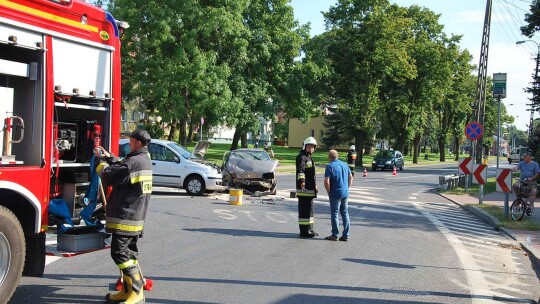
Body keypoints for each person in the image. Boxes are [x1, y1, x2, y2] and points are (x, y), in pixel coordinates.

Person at [95, 129, 152, 304]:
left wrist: (99, 161)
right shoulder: (142, 159)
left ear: (139, 143)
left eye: (131, 141)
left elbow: (109, 175)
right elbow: (122, 166)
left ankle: (136, 291)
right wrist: (110, 157)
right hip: (134, 215)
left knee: (119, 253)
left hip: (126, 216)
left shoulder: (134, 162)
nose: (128, 143)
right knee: (130, 253)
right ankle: (127, 291)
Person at [324, 150, 352, 241]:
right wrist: (347, 187)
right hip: (345, 192)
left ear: (329, 157)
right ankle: (346, 234)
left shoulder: (329, 166)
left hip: (335, 192)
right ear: (337, 156)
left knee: (335, 213)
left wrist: (329, 192)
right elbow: (351, 177)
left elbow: (326, 181)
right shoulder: (345, 164)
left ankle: (335, 234)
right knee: (345, 213)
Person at [296, 137, 319, 238]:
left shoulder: (309, 157)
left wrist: (315, 186)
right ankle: (304, 232)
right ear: (304, 146)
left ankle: (310, 229)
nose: (310, 149)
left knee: (310, 210)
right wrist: (302, 182)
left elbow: (311, 174)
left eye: (312, 147)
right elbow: (301, 171)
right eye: (308, 147)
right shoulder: (301, 157)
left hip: (310, 189)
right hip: (304, 189)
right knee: (304, 211)